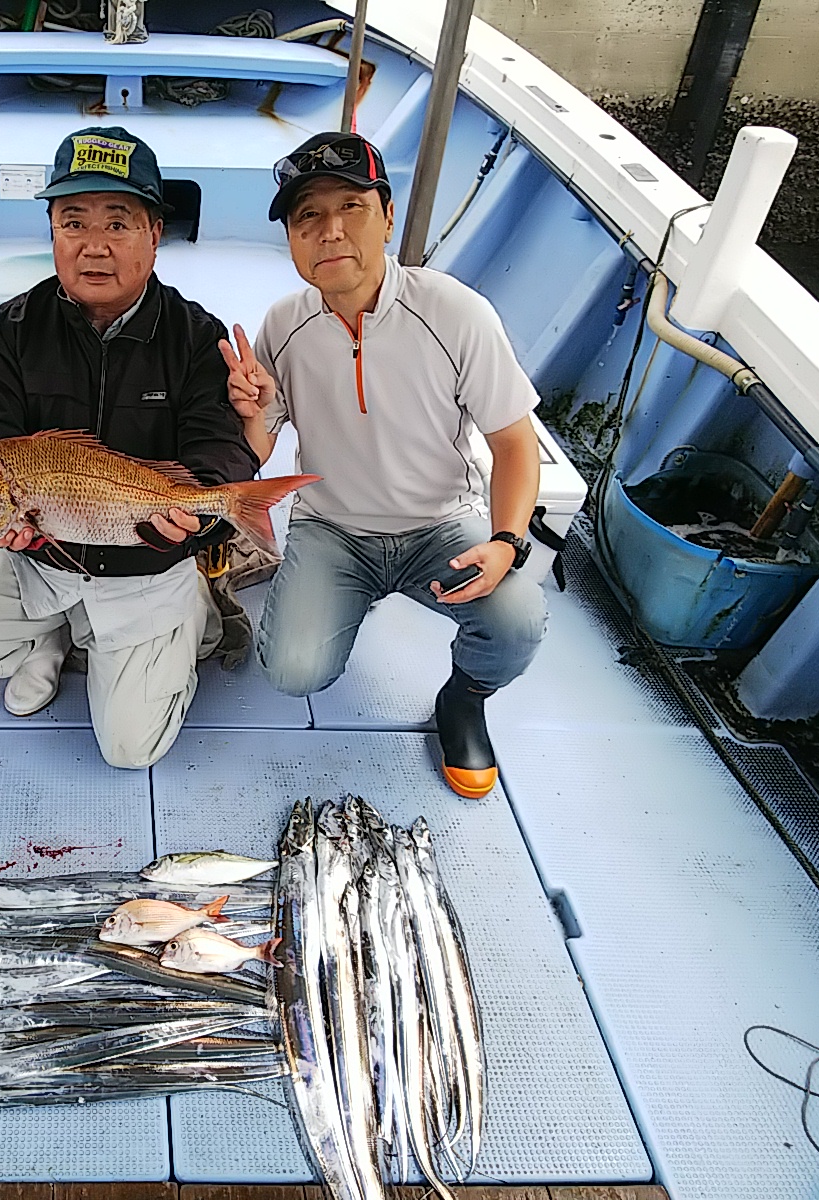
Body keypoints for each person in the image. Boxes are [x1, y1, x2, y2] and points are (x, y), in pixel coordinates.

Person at [0, 127, 258, 769]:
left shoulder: (194, 335)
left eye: (118, 223)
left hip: (146, 562)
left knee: (132, 749)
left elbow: (218, 445)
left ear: (155, 233)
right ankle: (51, 637)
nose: (93, 246)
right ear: (52, 231)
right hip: (39, 558)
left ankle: (189, 603)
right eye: (72, 222)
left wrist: (201, 509)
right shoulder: (12, 327)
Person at [225, 131, 547, 799]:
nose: (330, 231)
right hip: (333, 529)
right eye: (308, 216)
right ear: (291, 238)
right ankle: (346, 596)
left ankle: (464, 699)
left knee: (517, 622)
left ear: (388, 216)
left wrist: (506, 541)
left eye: (352, 207)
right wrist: (251, 413)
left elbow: (515, 444)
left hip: (441, 526)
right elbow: (260, 449)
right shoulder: (282, 325)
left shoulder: (456, 313)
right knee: (291, 669)